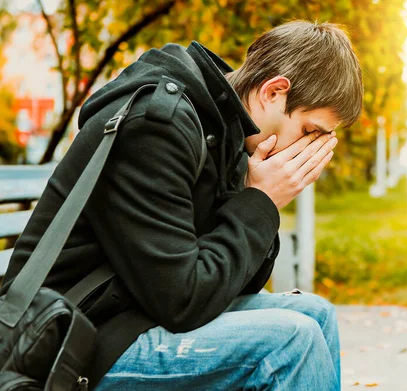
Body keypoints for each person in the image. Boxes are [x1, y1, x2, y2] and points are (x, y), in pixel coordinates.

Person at [2, 20, 363, 390]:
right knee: (291, 341)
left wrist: (257, 196)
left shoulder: (225, 131)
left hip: (134, 314)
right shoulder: (159, 127)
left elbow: (233, 284)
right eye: (308, 131)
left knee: (317, 314)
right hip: (71, 338)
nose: (307, 150)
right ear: (274, 92)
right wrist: (261, 200)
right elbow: (183, 301)